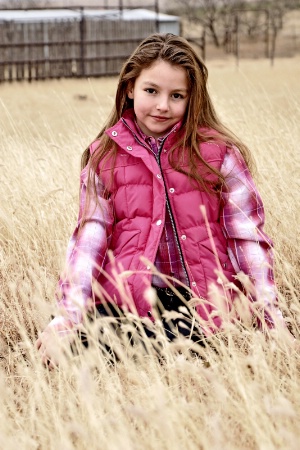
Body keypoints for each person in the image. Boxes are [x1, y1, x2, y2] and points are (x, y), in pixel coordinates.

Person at [36, 33, 285, 368]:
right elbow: (89, 239)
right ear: (129, 87)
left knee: (197, 350)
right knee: (75, 350)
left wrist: (270, 317)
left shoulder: (220, 154)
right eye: (151, 91)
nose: (163, 105)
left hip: (202, 300)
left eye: (177, 95)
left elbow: (247, 238)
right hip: (129, 301)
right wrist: (67, 317)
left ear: (192, 98)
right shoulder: (104, 157)